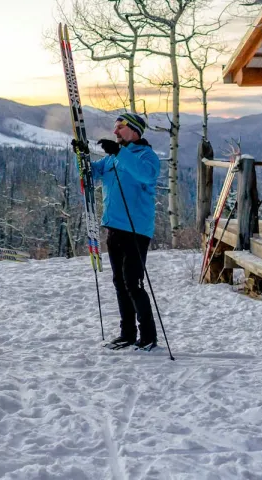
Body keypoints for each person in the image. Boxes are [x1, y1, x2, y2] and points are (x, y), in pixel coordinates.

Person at [90, 112, 161, 351]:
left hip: (136, 230)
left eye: (119, 126)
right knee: (120, 282)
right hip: (114, 228)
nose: (115, 131)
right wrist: (80, 154)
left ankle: (148, 336)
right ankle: (127, 333)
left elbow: (145, 174)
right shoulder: (112, 159)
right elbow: (92, 173)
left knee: (133, 282)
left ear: (134, 130)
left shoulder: (146, 156)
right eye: (115, 126)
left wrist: (119, 152)